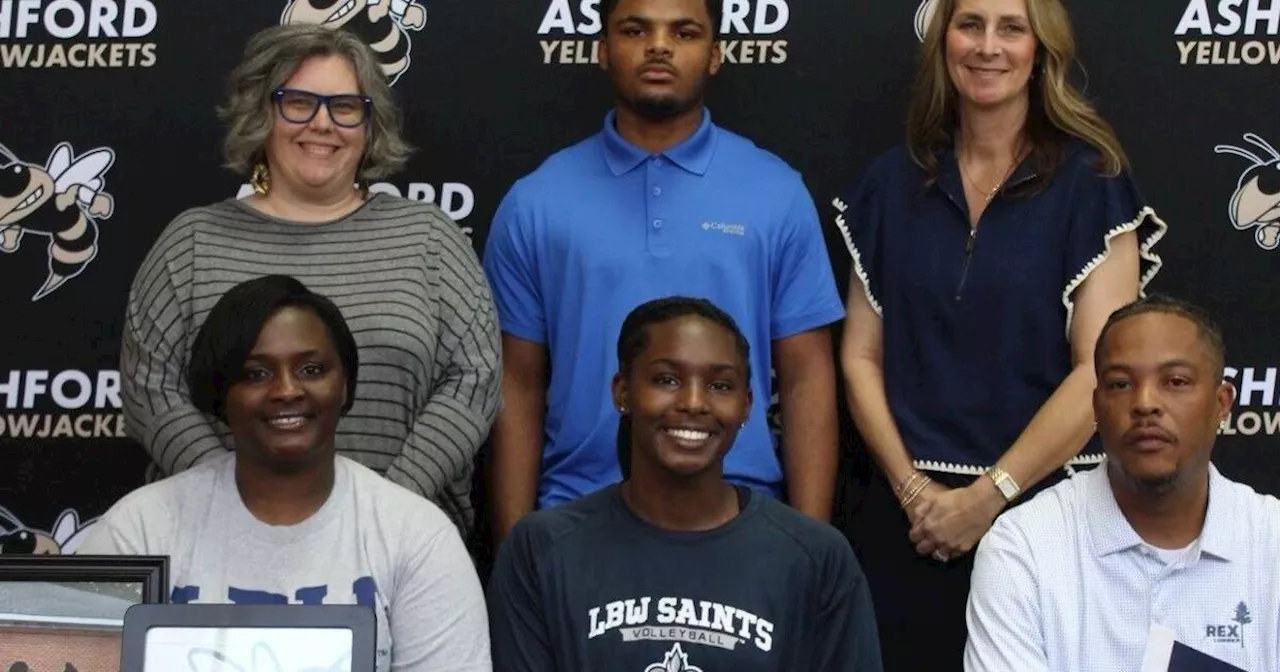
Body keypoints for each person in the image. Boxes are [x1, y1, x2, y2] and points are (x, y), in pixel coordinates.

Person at [836, 0, 1169, 667]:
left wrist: (988, 500)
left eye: (1011, 28)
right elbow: (859, 357)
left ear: (1041, 49)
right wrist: (916, 495)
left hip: (1047, 515)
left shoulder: (1093, 182)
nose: (988, 46)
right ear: (943, 41)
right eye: (971, 24)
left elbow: (1098, 372)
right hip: (908, 521)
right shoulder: (889, 182)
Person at [483, 0, 844, 547]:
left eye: (683, 31)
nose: (658, 45)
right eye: (635, 29)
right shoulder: (535, 202)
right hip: (577, 515)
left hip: (742, 518)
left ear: (715, 54)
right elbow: (517, 383)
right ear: (602, 48)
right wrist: (516, 549)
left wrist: (813, 553)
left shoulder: (776, 193)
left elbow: (806, 379)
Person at [120, 24, 500, 539]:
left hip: (396, 543)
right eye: (298, 102)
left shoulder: (427, 237)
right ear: (261, 113)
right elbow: (151, 390)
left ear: (368, 124)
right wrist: (236, 505)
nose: (323, 124)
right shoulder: (193, 241)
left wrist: (383, 510)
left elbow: (474, 381)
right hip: (215, 542)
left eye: (344, 106)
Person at [80, 275, 491, 672]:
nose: (287, 390)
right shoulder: (139, 529)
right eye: (256, 373)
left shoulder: (417, 537)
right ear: (222, 394)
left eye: (311, 370)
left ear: (345, 386)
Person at [486, 296, 882, 671]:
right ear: (623, 392)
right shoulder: (541, 550)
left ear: (746, 405)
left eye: (720, 385)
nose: (694, 402)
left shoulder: (816, 558)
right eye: (667, 379)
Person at [965, 294, 1280, 671]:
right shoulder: (1024, 545)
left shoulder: (1271, 540)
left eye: (1175, 381)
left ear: (1223, 403)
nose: (1145, 403)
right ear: (1096, 407)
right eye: (1120, 384)